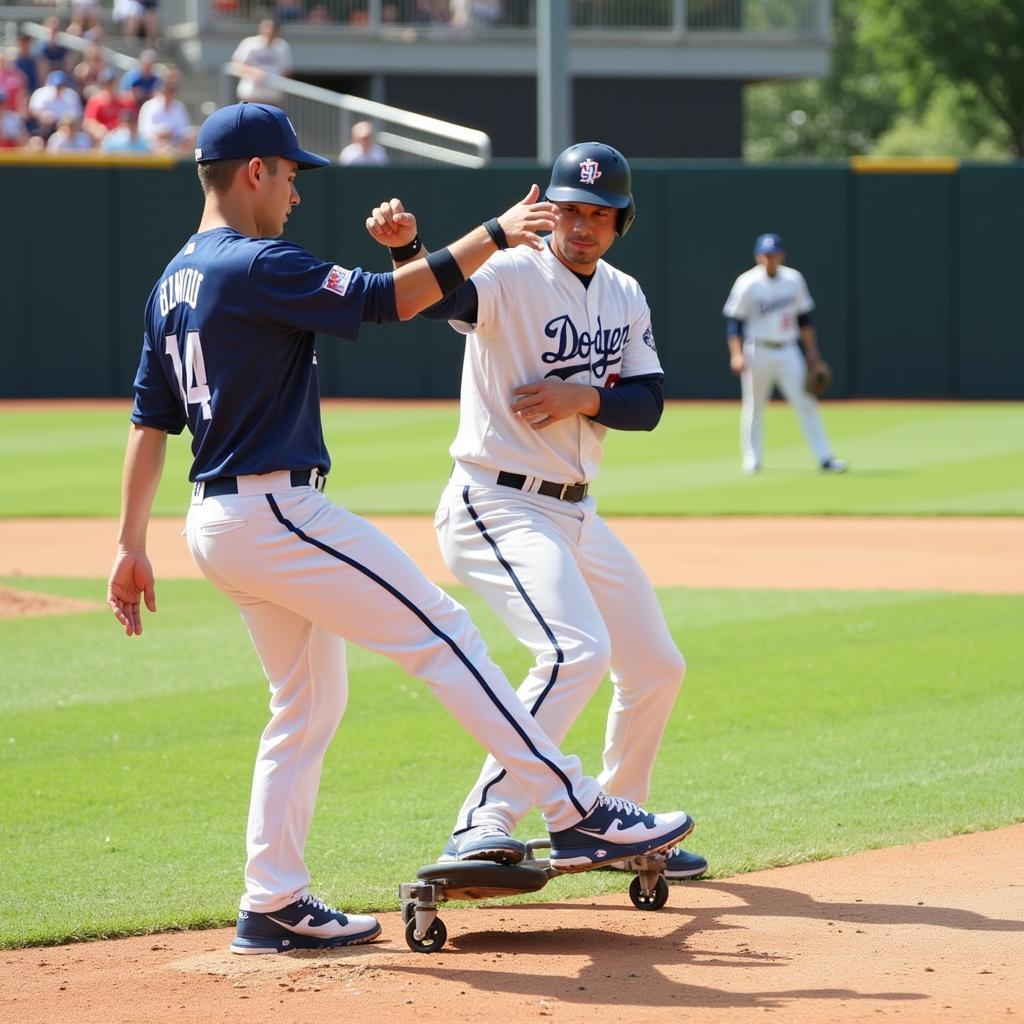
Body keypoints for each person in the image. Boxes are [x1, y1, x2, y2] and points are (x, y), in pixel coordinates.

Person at [106, 103, 695, 955]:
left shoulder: (177, 278)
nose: (298, 195)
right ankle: (576, 810)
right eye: (292, 175)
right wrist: (494, 229)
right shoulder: (256, 261)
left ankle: (272, 901)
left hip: (216, 518)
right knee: (445, 635)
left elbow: (148, 420)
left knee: (306, 706)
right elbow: (388, 300)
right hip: (275, 508)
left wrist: (130, 541)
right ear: (255, 172)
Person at [364, 142, 707, 880]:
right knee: (575, 651)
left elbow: (646, 403)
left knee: (657, 666)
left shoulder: (624, 291)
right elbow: (445, 299)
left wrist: (583, 397)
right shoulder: (513, 271)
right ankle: (482, 819)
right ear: (548, 208)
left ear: (621, 221)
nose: (583, 225)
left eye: (599, 214)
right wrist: (412, 251)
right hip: (497, 500)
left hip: (577, 512)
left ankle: (622, 823)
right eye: (570, 210)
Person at [723, 233, 847, 474]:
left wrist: (812, 351)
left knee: (806, 403)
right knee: (754, 406)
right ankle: (752, 459)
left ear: (781, 255)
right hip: (757, 349)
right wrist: (736, 355)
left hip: (789, 349)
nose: (769, 258)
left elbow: (804, 319)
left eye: (773, 254)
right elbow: (735, 323)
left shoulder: (793, 280)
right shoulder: (747, 282)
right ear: (758, 256)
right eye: (765, 254)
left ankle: (825, 458)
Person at [230, 20, 293, 106]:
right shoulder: (249, 43)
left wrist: (273, 79)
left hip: (272, 95)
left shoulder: (282, 46)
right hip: (250, 94)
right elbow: (236, 64)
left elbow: (287, 69)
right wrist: (253, 72)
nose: (269, 36)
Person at [137, 70, 192, 152]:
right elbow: (143, 131)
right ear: (161, 90)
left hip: (176, 145)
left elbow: (184, 130)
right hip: (153, 146)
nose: (170, 92)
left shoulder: (179, 107)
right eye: (167, 88)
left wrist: (171, 133)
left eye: (173, 89)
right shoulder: (149, 106)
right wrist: (162, 131)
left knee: (192, 136)